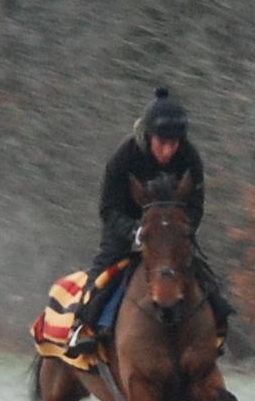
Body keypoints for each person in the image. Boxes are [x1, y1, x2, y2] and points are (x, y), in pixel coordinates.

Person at [66, 86, 234, 357]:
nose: (168, 150)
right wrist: (134, 232)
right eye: (162, 142)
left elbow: (196, 206)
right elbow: (107, 209)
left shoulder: (190, 158)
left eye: (175, 143)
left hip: (172, 233)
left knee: (205, 274)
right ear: (148, 136)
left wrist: (182, 229)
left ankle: (217, 327)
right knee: (101, 274)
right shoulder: (123, 158)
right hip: (126, 229)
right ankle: (82, 328)